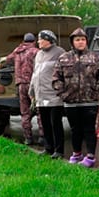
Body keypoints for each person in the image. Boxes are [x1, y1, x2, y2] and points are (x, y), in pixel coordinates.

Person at [52, 27, 99, 167]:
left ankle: (90, 157)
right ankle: (76, 154)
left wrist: (97, 92)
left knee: (89, 129)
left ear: (86, 41)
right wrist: (63, 93)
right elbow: (56, 78)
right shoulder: (63, 58)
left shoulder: (95, 57)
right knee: (75, 130)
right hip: (71, 102)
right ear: (72, 42)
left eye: (83, 39)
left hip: (90, 101)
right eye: (77, 40)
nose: (80, 42)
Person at [29, 29, 65, 159]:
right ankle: (48, 148)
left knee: (55, 123)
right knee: (45, 124)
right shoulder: (38, 54)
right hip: (40, 95)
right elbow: (35, 74)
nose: (38, 42)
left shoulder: (60, 53)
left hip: (54, 96)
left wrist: (61, 90)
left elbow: (65, 73)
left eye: (40, 39)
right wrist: (31, 91)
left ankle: (59, 150)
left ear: (48, 40)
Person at [5, 32, 43, 145]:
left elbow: (7, 60)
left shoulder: (17, 51)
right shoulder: (36, 52)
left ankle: (28, 138)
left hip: (21, 85)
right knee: (39, 110)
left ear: (24, 41)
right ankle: (42, 136)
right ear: (34, 41)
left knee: (25, 112)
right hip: (34, 85)